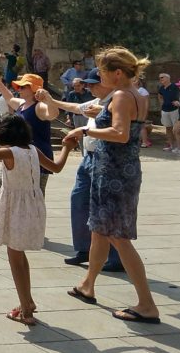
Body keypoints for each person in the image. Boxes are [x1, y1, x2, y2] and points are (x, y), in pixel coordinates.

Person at [66, 47, 161, 324]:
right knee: (99, 230)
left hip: (115, 173)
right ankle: (88, 285)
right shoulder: (136, 95)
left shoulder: (120, 95)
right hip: (121, 169)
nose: (99, 77)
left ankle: (146, 304)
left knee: (118, 237)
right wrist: (102, 112)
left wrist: (84, 129)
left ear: (117, 73)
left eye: (103, 72)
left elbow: (119, 133)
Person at [0, 116, 73, 325]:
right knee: (19, 257)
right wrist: (66, 147)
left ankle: (26, 312)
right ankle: (27, 301)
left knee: (15, 258)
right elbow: (56, 167)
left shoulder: (10, 152)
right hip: (33, 203)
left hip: (15, 208)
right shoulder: (33, 150)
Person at [38, 70, 123, 271]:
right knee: (79, 200)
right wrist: (52, 100)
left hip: (107, 160)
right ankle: (85, 249)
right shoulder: (97, 101)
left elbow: (121, 129)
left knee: (105, 207)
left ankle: (116, 256)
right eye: (88, 84)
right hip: (89, 158)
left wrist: (97, 119)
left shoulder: (118, 101)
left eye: (94, 83)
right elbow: (76, 107)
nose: (90, 87)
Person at [0, 73, 58, 192]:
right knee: (5, 188)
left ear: (34, 89)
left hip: (36, 157)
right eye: (19, 87)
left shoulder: (39, 107)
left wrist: (48, 99)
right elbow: (9, 98)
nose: (19, 89)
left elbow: (53, 114)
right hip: (20, 155)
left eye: (23, 87)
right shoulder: (22, 104)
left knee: (34, 196)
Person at [157, 73, 180, 153]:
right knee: (168, 128)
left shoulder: (175, 87)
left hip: (174, 110)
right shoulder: (161, 88)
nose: (160, 79)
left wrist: (178, 102)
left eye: (162, 77)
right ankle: (171, 146)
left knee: (176, 129)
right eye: (159, 78)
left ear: (168, 78)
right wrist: (162, 104)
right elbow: (160, 96)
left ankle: (179, 147)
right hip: (165, 110)